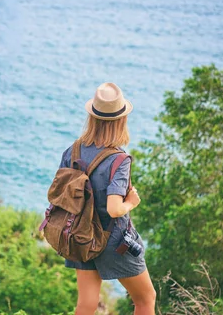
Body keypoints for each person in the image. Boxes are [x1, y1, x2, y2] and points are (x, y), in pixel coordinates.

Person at [59, 82, 156, 315]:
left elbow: (61, 194)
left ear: (92, 117)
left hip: (79, 234)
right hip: (113, 241)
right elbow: (114, 209)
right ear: (121, 120)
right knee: (145, 299)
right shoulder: (119, 160)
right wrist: (131, 203)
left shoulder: (73, 150)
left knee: (87, 303)